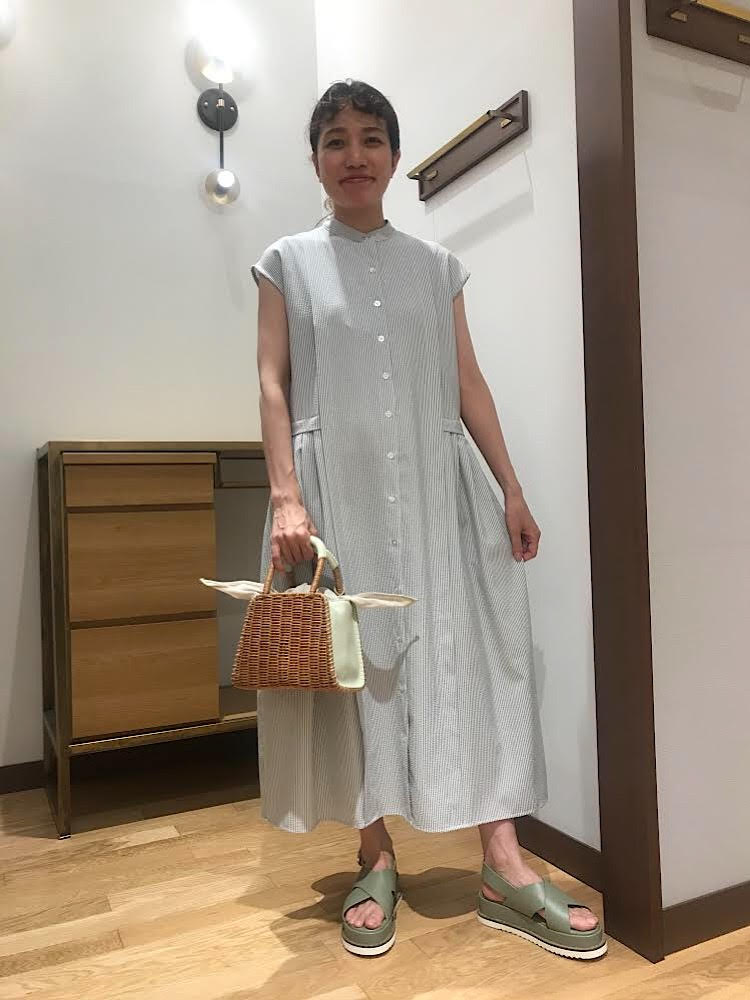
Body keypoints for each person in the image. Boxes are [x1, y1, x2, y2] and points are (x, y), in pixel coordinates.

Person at [252, 79, 606, 961]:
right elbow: (272, 381)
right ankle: (374, 856)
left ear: (396, 157)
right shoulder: (287, 262)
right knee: (357, 668)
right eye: (336, 140)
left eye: (371, 139)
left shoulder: (437, 267)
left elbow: (466, 381)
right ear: (315, 161)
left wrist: (511, 486)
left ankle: (502, 864)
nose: (355, 156)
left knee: (475, 654)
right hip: (338, 491)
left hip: (440, 486)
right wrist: (287, 496)